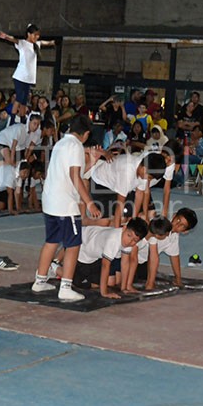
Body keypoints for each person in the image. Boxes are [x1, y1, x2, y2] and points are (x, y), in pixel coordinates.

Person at [32, 115, 102, 302]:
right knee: (73, 244)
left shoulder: (61, 143)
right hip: (65, 204)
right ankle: (65, 287)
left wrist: (91, 162)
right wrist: (89, 203)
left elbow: (73, 173)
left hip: (50, 200)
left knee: (52, 241)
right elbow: (75, 177)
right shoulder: (76, 146)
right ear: (85, 134)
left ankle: (40, 280)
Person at [66, 218, 148, 298]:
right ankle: (55, 268)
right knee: (77, 281)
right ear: (124, 228)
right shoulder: (113, 239)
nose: (129, 241)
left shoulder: (128, 241)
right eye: (129, 235)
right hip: (79, 246)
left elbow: (125, 263)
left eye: (135, 240)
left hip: (93, 257)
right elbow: (105, 265)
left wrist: (124, 288)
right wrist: (104, 293)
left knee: (99, 283)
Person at [89, 152, 167, 227]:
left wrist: (134, 221)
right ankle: (84, 221)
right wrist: (117, 230)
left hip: (119, 187)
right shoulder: (127, 172)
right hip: (101, 185)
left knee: (141, 216)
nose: (149, 180)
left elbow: (139, 194)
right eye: (149, 177)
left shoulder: (144, 167)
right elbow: (120, 204)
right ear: (143, 169)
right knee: (106, 222)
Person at [0, 24, 56, 122]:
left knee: (24, 100)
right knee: (19, 98)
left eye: (37, 35)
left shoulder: (36, 45)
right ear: (29, 34)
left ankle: (22, 117)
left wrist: (53, 42)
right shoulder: (23, 43)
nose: (36, 37)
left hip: (28, 78)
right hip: (20, 76)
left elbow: (46, 43)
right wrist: (6, 37)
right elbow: (14, 39)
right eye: (34, 35)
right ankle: (12, 118)